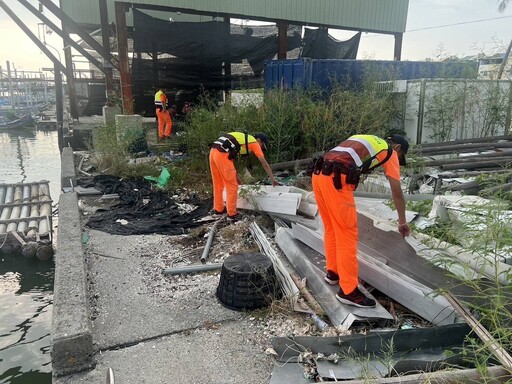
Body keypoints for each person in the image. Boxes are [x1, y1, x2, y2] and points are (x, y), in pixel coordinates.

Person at [311, 134, 411, 308]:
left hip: (318, 173)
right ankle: (349, 292)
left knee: (331, 229)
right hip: (336, 180)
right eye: (401, 158)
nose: (398, 161)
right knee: (347, 234)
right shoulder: (390, 152)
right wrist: (402, 221)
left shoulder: (366, 139)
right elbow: (397, 192)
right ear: (398, 148)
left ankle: (333, 273)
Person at [209, 132, 279, 222]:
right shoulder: (254, 142)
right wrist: (273, 179)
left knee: (218, 183)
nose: (261, 148)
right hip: (222, 154)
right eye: (262, 145)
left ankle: (218, 209)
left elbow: (230, 159)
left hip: (213, 151)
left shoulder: (242, 139)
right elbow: (264, 163)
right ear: (259, 140)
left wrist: (235, 176)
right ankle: (232, 215)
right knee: (232, 186)